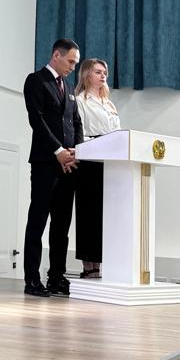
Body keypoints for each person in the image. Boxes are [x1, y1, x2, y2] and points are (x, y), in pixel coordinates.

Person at [22, 39, 82, 297]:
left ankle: (56, 276)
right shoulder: (36, 81)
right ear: (56, 55)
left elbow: (76, 122)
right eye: (70, 62)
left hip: (68, 166)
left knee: (62, 225)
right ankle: (32, 279)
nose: (73, 67)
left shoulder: (68, 88)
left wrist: (77, 152)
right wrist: (58, 151)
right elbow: (37, 120)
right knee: (38, 221)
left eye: (75, 63)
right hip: (46, 163)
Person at [74, 58, 121, 279]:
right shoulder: (80, 101)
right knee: (89, 215)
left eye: (105, 72)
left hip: (109, 163)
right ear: (87, 74)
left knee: (105, 216)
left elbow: (117, 132)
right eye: (98, 72)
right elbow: (78, 133)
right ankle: (88, 266)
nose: (103, 76)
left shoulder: (109, 103)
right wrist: (98, 144)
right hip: (90, 162)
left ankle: (101, 264)